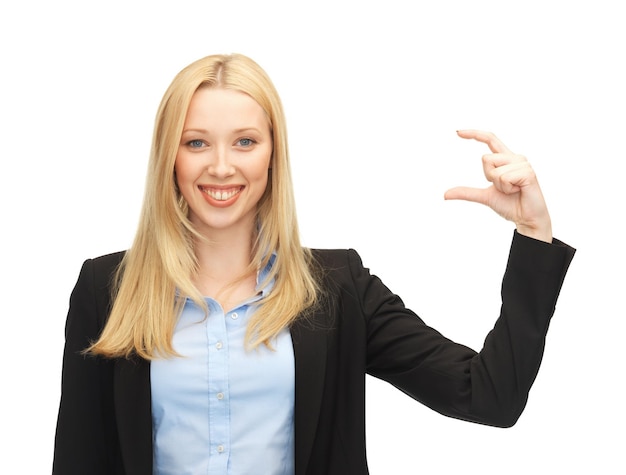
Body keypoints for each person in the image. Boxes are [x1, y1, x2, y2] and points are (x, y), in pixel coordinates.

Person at [52, 53, 575, 475]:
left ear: (273, 153)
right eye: (196, 143)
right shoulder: (106, 289)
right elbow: (78, 459)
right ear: (170, 155)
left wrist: (533, 235)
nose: (221, 166)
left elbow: (489, 396)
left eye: (245, 142)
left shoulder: (338, 288)